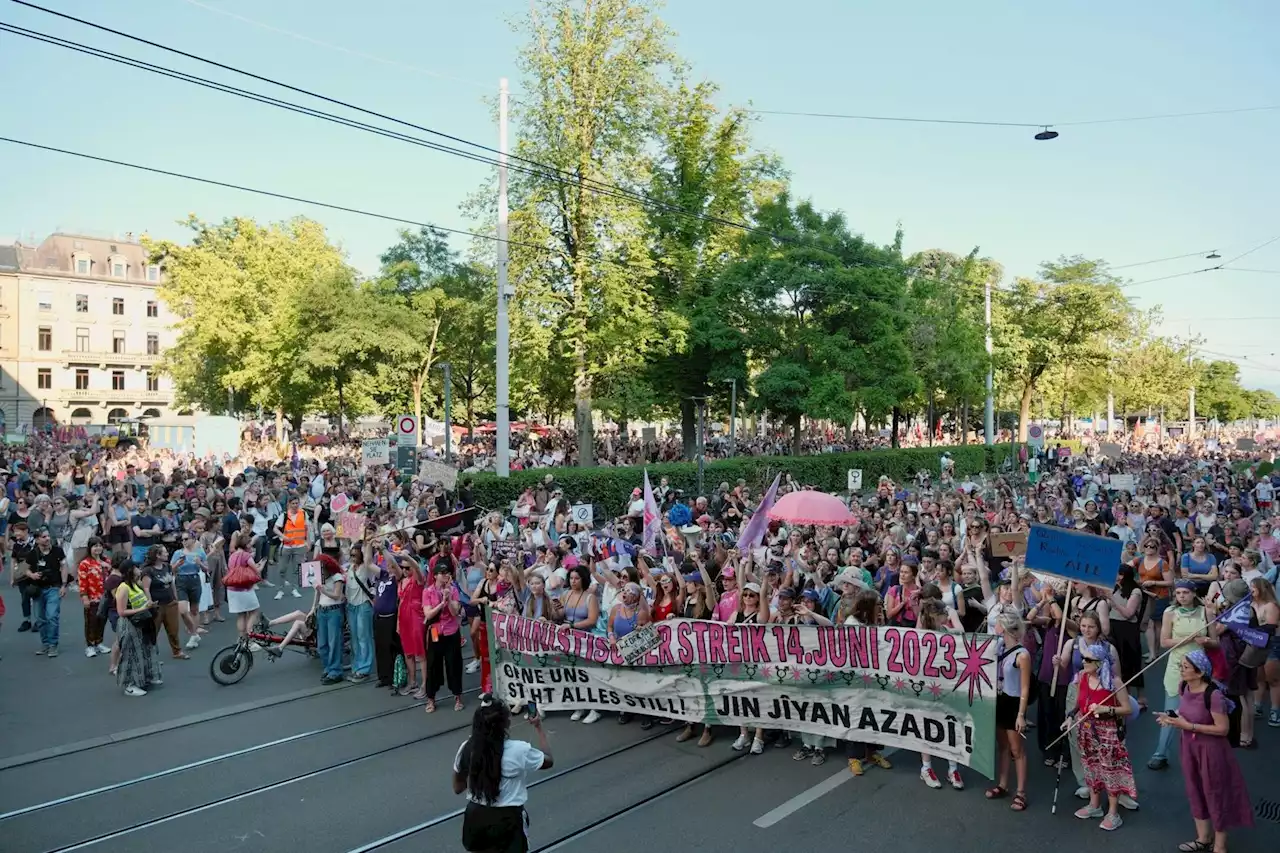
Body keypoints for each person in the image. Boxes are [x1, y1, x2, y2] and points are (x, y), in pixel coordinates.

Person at [1156, 649, 1253, 853]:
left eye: (1185, 667)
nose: (1180, 670)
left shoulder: (1213, 695)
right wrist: (1171, 718)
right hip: (1189, 748)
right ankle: (1203, 838)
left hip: (1212, 752)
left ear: (1200, 672)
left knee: (1216, 794)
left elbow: (1222, 729)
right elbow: (1185, 713)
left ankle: (1219, 846)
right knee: (1195, 790)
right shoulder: (1184, 687)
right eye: (1180, 666)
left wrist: (1188, 726)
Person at [453, 695, 553, 853]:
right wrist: (539, 728)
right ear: (506, 723)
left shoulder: (466, 748)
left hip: (476, 816)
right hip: (508, 819)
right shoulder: (519, 750)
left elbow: (458, 787)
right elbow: (548, 761)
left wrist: (480, 771)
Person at [1065, 642, 1136, 831]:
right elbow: (1080, 704)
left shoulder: (1114, 682)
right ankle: (1094, 805)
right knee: (1090, 768)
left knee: (1110, 771)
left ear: (1099, 663)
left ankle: (1113, 813)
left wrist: (1108, 709)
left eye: (1088, 660)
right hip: (1086, 730)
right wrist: (1071, 717)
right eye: (1083, 658)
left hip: (1108, 732)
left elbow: (1127, 708)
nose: (1084, 662)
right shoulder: (1082, 677)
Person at [986, 611, 1030, 812]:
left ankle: (1021, 792)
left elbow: (1024, 688)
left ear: (1003, 627)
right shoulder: (1000, 648)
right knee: (1002, 746)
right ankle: (1003, 784)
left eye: (996, 624)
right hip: (1000, 700)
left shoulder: (1022, 655)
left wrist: (1021, 714)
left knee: (1016, 750)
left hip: (1013, 703)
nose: (994, 626)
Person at [114, 559, 160, 696]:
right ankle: (130, 685)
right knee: (130, 654)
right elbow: (121, 612)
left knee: (143, 651)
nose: (139, 569)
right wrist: (142, 609)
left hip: (141, 623)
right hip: (129, 624)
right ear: (130, 570)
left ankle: (144, 678)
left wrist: (149, 605)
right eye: (136, 567)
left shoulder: (136, 584)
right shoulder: (123, 588)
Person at [423, 562, 465, 712]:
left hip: (451, 631)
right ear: (435, 576)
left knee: (454, 664)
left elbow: (454, 612)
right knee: (433, 665)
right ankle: (431, 698)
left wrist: (448, 599)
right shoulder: (428, 592)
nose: (446, 575)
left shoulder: (453, 590)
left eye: (447, 572)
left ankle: (458, 696)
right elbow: (428, 614)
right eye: (442, 573)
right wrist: (441, 603)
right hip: (435, 631)